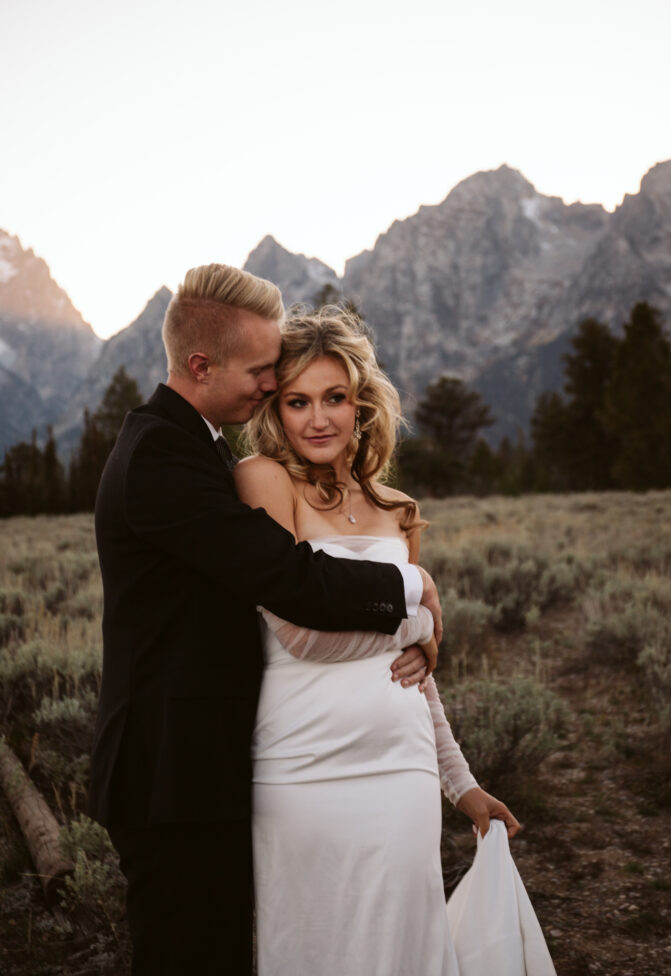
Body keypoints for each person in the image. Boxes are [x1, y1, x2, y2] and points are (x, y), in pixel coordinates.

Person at [89, 265, 444, 976]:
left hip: (203, 763)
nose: (266, 387)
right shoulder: (161, 452)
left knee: (217, 948)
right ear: (199, 364)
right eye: (260, 372)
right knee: (189, 955)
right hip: (171, 770)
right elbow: (286, 582)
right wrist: (414, 588)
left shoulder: (194, 442)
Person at [234, 306, 521, 976]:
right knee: (310, 947)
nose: (317, 419)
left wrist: (462, 785)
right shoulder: (261, 480)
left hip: (402, 769)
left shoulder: (396, 507)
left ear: (360, 404)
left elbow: (417, 675)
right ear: (275, 409)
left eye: (334, 398)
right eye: (296, 401)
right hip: (299, 765)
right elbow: (299, 634)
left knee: (403, 950)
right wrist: (416, 605)